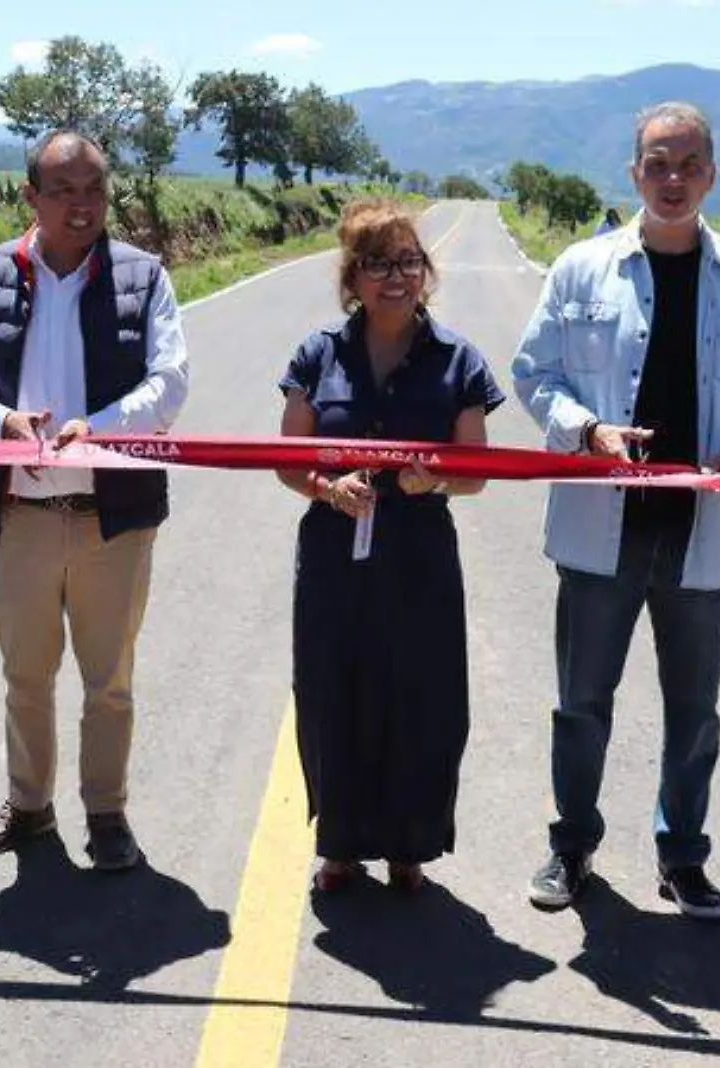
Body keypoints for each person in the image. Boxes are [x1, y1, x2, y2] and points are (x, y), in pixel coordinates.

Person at [510, 102, 720, 919]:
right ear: (634, 172)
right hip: (600, 531)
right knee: (581, 707)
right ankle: (573, 847)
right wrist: (587, 428)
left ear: (712, 172)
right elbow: (536, 373)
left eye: (689, 164)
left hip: (701, 535)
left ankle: (682, 856)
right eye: (658, 164)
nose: (673, 180)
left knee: (694, 711)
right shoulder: (580, 269)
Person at [0, 130, 189, 873]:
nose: (82, 207)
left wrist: (100, 429)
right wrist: (0, 422)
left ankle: (106, 813)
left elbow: (168, 382)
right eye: (64, 192)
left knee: (108, 682)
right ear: (31, 197)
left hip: (115, 521)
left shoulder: (144, 278)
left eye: (95, 190)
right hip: (20, 518)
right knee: (25, 677)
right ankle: (28, 806)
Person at [275, 198, 505, 894]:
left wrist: (434, 482)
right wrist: (325, 487)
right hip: (333, 556)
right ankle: (340, 846)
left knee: (422, 696)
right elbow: (286, 458)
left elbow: (478, 475)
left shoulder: (459, 360)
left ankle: (411, 844)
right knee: (330, 692)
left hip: (419, 556)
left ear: (426, 271)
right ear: (352, 277)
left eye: (407, 260)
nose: (394, 276)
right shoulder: (319, 354)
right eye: (377, 263)